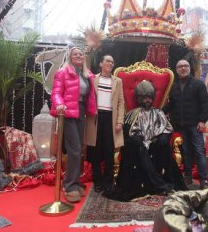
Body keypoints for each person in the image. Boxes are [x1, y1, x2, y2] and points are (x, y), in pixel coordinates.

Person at [105, 80, 186, 201]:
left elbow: (167, 128)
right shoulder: (133, 113)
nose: (147, 100)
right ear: (139, 98)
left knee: (165, 147)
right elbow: (128, 130)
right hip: (139, 145)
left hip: (155, 144)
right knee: (136, 148)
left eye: (149, 97)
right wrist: (136, 138)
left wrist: (164, 136)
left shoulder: (158, 112)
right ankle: (159, 184)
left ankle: (162, 182)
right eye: (144, 98)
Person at [50, 46, 97, 203]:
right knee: (74, 149)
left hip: (81, 111)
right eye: (75, 54)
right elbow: (55, 93)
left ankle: (75, 182)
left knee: (79, 149)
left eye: (80, 54)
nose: (78, 56)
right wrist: (59, 104)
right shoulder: (62, 72)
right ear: (69, 57)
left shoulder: (86, 74)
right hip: (68, 113)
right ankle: (68, 185)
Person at [164, 59, 208, 189]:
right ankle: (188, 177)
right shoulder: (174, 86)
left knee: (199, 152)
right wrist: (159, 111)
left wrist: (202, 121)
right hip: (180, 125)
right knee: (186, 152)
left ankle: (204, 180)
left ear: (189, 68)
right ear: (177, 70)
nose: (183, 68)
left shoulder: (198, 84)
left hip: (195, 125)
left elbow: (205, 103)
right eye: (180, 66)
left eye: (185, 66)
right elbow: (172, 104)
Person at [84, 55, 125, 193]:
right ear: (101, 63)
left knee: (109, 150)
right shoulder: (92, 79)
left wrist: (119, 121)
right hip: (95, 118)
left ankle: (108, 181)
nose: (110, 63)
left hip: (110, 118)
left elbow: (121, 102)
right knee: (95, 151)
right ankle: (97, 180)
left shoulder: (118, 81)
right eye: (107, 61)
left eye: (112, 61)